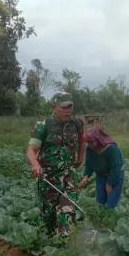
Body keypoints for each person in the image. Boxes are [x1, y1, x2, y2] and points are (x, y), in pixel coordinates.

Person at [26, 92, 86, 238]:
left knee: (67, 208)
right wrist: (35, 164)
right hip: (48, 178)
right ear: (54, 106)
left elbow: (82, 141)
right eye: (64, 107)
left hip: (68, 176)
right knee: (49, 217)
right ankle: (49, 244)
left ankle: (66, 246)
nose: (68, 110)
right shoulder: (43, 126)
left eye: (70, 107)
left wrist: (79, 159)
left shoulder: (77, 124)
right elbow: (31, 150)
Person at [79, 126, 125, 210]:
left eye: (91, 142)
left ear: (98, 140)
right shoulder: (90, 149)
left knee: (111, 203)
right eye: (88, 143)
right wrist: (86, 176)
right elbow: (89, 163)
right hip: (100, 176)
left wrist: (110, 182)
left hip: (115, 176)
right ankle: (100, 218)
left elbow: (116, 167)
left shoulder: (112, 149)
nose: (90, 145)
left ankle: (111, 218)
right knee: (100, 202)